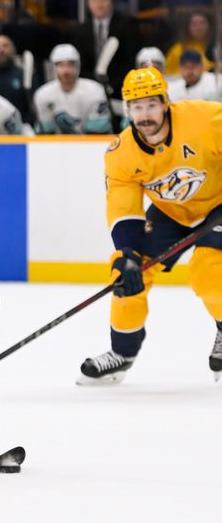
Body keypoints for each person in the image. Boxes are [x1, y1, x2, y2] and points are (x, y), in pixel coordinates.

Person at [79, 67, 222, 384]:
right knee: (129, 273)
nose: (145, 115)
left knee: (208, 271)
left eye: (151, 105)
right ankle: (122, 352)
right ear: (127, 109)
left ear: (166, 102)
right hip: (171, 212)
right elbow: (123, 204)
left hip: (218, 204)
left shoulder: (204, 118)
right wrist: (128, 253)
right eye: (137, 107)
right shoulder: (121, 153)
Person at [69, 0, 140, 101]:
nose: (99, 5)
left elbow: (130, 61)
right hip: (89, 94)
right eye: (95, 0)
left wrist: (110, 87)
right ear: (88, 3)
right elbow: (80, 65)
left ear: (111, 1)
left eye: (103, 0)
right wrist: (95, 87)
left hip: (120, 92)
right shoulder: (80, 30)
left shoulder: (127, 25)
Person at [33, 43, 111, 134]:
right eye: (61, 65)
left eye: (70, 64)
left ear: (78, 66)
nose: (66, 70)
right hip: (57, 146)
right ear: (53, 67)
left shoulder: (94, 91)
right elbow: (46, 134)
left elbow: (99, 133)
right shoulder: (43, 95)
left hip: (91, 145)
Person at [0, 34, 38, 125]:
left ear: (13, 49)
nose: (1, 50)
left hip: (23, 129)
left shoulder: (24, 75)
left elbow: (32, 105)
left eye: (5, 45)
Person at [164, 11, 213, 76]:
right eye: (194, 24)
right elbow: (168, 75)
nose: (199, 27)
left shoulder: (216, 47)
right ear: (188, 27)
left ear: (209, 25)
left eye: (202, 23)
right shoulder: (177, 50)